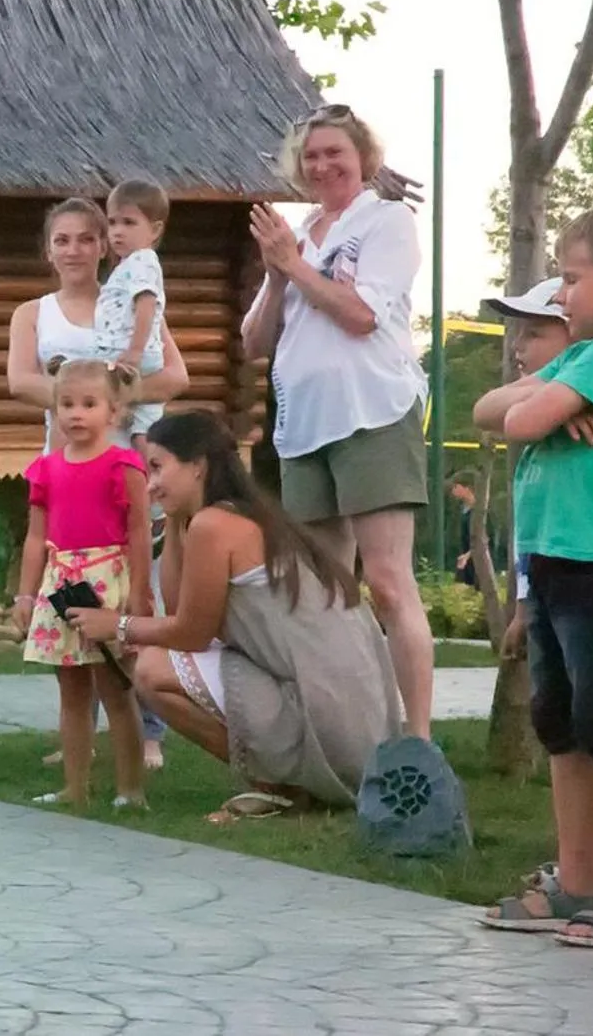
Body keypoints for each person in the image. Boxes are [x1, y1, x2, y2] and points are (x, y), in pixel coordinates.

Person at [65, 411, 403, 823]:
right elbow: (178, 609)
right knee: (157, 659)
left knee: (151, 670)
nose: (149, 483)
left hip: (330, 722)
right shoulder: (231, 515)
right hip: (353, 724)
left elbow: (189, 634)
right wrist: (174, 518)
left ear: (197, 466)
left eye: (157, 467)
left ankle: (282, 790)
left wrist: (116, 625)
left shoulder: (215, 524)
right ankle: (287, 784)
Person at [474, 203, 593, 947]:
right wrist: (545, 398)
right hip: (556, 566)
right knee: (563, 724)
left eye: (572, 279)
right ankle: (577, 882)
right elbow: (492, 405)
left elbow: (516, 422)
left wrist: (541, 404)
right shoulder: (583, 360)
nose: (562, 296)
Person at [242, 105, 435, 740]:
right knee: (326, 591)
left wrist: (296, 267)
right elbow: (253, 342)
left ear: (363, 160)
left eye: (336, 154)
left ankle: (418, 741)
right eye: (312, 156)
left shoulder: (385, 222)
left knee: (385, 579)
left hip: (371, 412)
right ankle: (352, 736)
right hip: (304, 425)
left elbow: (360, 316)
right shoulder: (297, 233)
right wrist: (277, 276)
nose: (323, 165)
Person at [4, 198, 191, 766]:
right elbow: (18, 380)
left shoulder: (128, 303)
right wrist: (75, 398)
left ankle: (147, 728)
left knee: (134, 590)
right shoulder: (34, 313)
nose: (75, 249)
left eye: (87, 238)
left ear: (104, 244)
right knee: (73, 599)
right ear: (48, 249)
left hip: (122, 469)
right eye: (62, 240)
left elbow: (174, 375)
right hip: (64, 471)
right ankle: (79, 733)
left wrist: (110, 400)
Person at [14, 359, 150, 808]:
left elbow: (139, 531)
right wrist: (26, 593)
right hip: (62, 583)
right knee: (71, 692)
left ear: (113, 412)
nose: (76, 414)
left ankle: (130, 790)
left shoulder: (124, 465)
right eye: (67, 404)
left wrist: (139, 591)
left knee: (115, 688)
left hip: (109, 579)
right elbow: (36, 537)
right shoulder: (45, 469)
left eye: (89, 404)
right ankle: (75, 787)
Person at [98, 179, 171, 446]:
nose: (117, 231)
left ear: (154, 230)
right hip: (134, 353)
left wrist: (136, 350)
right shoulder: (130, 263)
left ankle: (145, 474)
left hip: (132, 354)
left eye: (129, 223)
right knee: (141, 428)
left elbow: (146, 304)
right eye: (112, 222)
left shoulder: (142, 261)